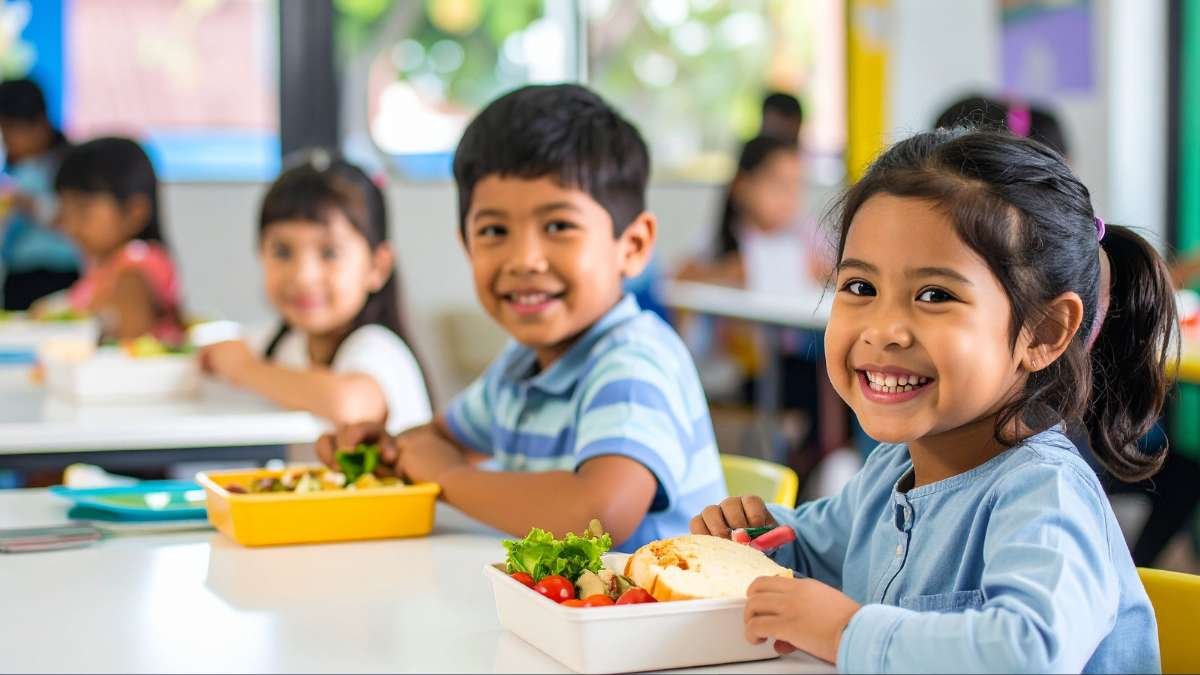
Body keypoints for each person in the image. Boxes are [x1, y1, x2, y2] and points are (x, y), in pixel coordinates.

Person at [690, 129, 1171, 672]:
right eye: (860, 288)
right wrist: (758, 538)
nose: (884, 330)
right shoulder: (892, 469)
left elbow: (1027, 653)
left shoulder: (1046, 496)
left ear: (1042, 332)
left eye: (934, 295)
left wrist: (845, 630)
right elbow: (816, 548)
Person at [315, 84, 726, 551]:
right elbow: (441, 439)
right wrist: (384, 449)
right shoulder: (521, 366)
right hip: (564, 616)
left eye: (558, 226)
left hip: (653, 619)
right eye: (494, 231)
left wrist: (447, 476)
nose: (525, 259)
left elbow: (596, 512)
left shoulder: (634, 362)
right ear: (466, 244)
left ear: (631, 246)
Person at [199, 153, 431, 434]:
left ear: (377, 266)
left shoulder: (378, 347)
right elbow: (226, 349)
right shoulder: (288, 343)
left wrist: (245, 369)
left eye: (329, 253)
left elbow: (346, 404)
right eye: (282, 252)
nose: (303, 276)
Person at [49, 137, 184, 342]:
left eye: (83, 212)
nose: (71, 226)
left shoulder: (133, 270)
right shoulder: (109, 266)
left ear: (134, 211)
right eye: (65, 211)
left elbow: (133, 345)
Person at [0, 78, 79, 309]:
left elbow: (69, 219)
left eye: (12, 131)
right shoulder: (12, 172)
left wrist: (28, 203)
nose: (8, 142)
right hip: (19, 276)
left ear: (39, 124)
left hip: (61, 274)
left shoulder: (66, 164)